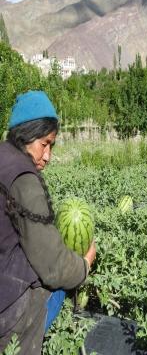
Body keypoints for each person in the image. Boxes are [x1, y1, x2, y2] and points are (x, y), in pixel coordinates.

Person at [0, 91, 96, 355]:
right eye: (45, 143)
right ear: (27, 135)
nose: (48, 156)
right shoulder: (24, 179)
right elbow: (54, 267)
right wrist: (84, 264)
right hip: (7, 312)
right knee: (59, 283)